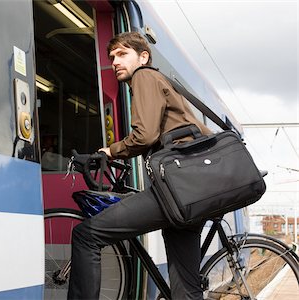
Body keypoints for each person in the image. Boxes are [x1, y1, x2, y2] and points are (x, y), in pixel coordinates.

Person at [67, 31, 212, 300]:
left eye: (122, 54)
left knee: (87, 235)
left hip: (177, 190)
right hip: (193, 191)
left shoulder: (144, 77)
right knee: (186, 289)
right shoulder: (157, 81)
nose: (115, 62)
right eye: (112, 57)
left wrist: (110, 151)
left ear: (143, 57)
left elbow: (145, 136)